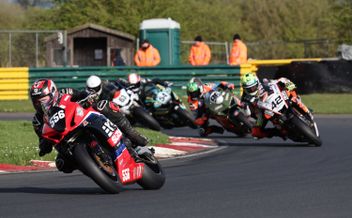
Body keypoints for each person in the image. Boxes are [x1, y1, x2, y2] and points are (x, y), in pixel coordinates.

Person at [240, 73, 312, 139]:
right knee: (255, 132)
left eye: (253, 87)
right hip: (261, 112)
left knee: (290, 91)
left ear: (257, 82)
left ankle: (304, 109)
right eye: (248, 89)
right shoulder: (244, 97)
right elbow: (247, 113)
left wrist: (285, 83)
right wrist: (247, 107)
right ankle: (279, 132)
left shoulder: (263, 81)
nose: (251, 90)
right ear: (244, 88)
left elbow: (276, 81)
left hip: (274, 99)